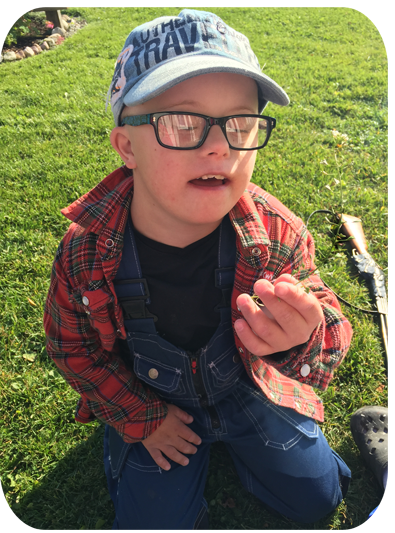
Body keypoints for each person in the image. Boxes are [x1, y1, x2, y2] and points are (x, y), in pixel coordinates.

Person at [44, 9, 353, 529]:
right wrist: (142, 418)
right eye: (182, 123)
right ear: (127, 146)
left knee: (317, 500)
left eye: (241, 124)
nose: (219, 146)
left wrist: (302, 335)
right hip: (152, 399)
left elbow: (329, 328)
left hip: (247, 385)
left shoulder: (276, 232)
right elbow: (71, 347)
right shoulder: (87, 252)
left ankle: (248, 452)